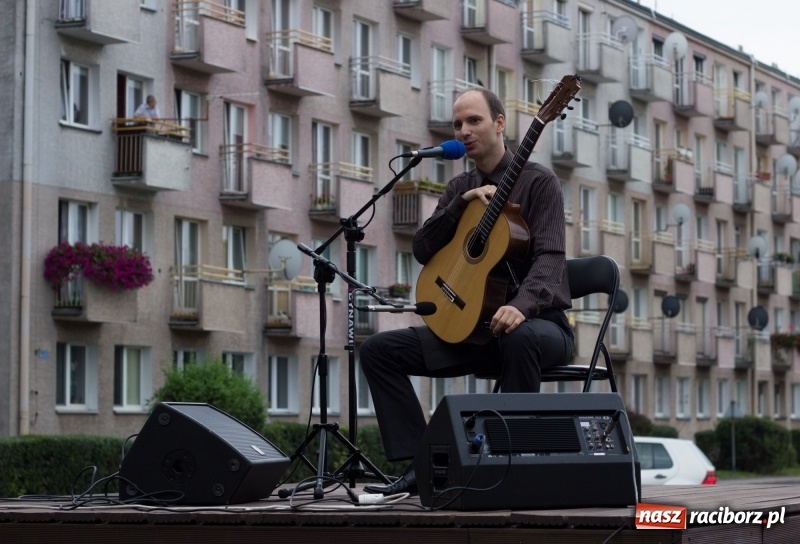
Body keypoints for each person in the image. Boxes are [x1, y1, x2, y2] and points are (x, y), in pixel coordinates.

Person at [360, 88, 574, 496]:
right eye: (457, 124)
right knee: (377, 351)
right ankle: (421, 467)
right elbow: (424, 248)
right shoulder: (460, 185)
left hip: (540, 329)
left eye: (474, 120)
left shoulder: (538, 182)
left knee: (520, 336)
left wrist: (522, 306)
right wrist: (461, 203)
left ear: (499, 123)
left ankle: (505, 467)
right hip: (473, 334)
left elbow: (551, 259)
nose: (464, 130)